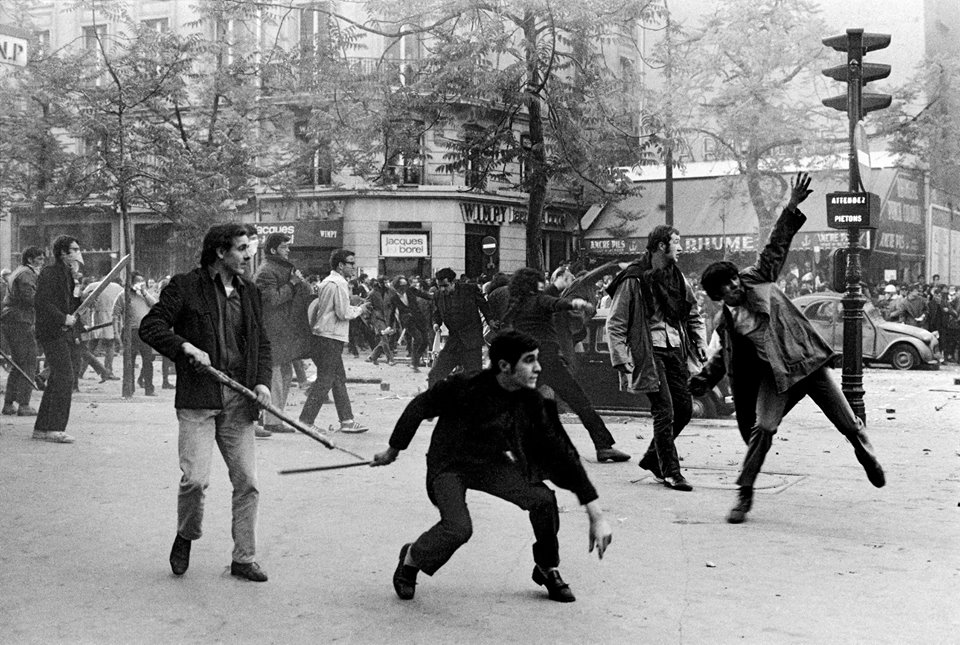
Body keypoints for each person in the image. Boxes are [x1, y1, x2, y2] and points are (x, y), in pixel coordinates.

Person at [690, 173, 885, 524]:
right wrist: (704, 380)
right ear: (719, 297)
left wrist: (791, 207)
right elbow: (723, 357)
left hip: (806, 362)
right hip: (776, 377)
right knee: (762, 430)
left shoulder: (758, 277)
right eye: (727, 289)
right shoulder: (727, 321)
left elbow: (775, 246)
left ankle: (864, 451)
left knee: (848, 424)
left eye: (734, 281)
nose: (735, 288)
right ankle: (744, 494)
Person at [372, 330, 613, 603]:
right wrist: (393, 450)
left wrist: (596, 515)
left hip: (491, 464)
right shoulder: (462, 386)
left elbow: (563, 455)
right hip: (449, 464)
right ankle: (411, 558)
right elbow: (418, 407)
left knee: (543, 500)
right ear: (504, 366)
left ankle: (546, 567)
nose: (539, 368)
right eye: (529, 361)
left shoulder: (532, 402)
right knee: (458, 528)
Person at [139, 224, 273, 582]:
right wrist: (184, 346)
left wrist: (261, 382)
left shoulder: (251, 292)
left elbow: (262, 344)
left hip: (239, 399)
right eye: (242, 248)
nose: (248, 255)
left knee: (248, 482)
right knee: (195, 480)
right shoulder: (185, 286)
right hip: (199, 398)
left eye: (250, 248)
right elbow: (150, 327)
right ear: (220, 251)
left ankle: (244, 558)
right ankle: (186, 535)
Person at [605, 224, 707, 489]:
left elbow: (693, 312)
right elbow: (615, 322)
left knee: (684, 409)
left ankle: (653, 458)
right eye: (677, 242)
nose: (681, 247)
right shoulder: (633, 279)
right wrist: (621, 357)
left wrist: (700, 342)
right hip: (649, 353)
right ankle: (671, 471)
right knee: (665, 410)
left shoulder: (678, 278)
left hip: (675, 350)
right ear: (662, 246)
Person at [505, 267, 630, 464]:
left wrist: (558, 286)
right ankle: (603, 446)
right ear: (533, 285)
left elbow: (548, 297)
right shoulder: (540, 300)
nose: (542, 285)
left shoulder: (518, 305)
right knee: (580, 402)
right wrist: (576, 303)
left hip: (525, 362)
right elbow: (555, 303)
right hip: (548, 360)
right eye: (539, 281)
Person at [298, 249, 370, 433]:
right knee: (326, 379)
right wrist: (360, 309)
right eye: (351, 263)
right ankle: (306, 421)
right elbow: (343, 313)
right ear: (341, 265)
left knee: (337, 379)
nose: (354, 267)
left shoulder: (327, 282)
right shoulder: (339, 284)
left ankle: (347, 420)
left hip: (324, 335)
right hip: (331, 336)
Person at [253, 233, 314, 436]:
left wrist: (301, 284)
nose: (288, 250)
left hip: (286, 329)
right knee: (276, 376)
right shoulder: (266, 272)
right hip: (273, 330)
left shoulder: (284, 268)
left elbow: (304, 292)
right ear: (273, 250)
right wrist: (293, 284)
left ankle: (273, 417)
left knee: (285, 373)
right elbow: (272, 300)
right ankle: (271, 419)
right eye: (284, 247)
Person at [32, 236, 85, 443]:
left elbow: (69, 303)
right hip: (51, 331)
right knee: (65, 377)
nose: (77, 252)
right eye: (74, 249)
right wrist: (63, 317)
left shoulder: (68, 274)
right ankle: (55, 428)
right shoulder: (50, 273)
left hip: (62, 331)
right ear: (62, 252)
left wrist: (80, 301)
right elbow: (42, 302)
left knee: (56, 378)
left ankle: (42, 428)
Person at [428, 267, 497, 387]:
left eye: (445, 285)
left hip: (471, 340)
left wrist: (490, 320)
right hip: (453, 341)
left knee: (474, 377)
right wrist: (436, 323)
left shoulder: (469, 290)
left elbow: (484, 306)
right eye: (440, 286)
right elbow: (437, 312)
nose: (442, 289)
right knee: (435, 374)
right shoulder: (438, 295)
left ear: (453, 282)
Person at [1, 247, 45, 417]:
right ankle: (24, 404)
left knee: (18, 363)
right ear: (30, 259)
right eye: (39, 259)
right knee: (28, 361)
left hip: (12, 319)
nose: (42, 263)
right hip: (20, 320)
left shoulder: (18, 271)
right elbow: (31, 298)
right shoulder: (27, 274)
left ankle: (9, 403)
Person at [113, 272, 159, 395]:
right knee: (130, 362)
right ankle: (130, 388)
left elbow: (155, 305)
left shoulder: (144, 295)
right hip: (130, 332)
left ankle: (149, 388)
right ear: (131, 282)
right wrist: (116, 333)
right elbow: (115, 315)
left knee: (148, 361)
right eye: (138, 281)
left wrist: (144, 292)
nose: (140, 284)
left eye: (142, 281)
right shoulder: (123, 296)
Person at [385, 275, 432, 373]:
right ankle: (414, 363)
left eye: (405, 285)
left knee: (425, 341)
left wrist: (434, 296)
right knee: (418, 338)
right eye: (401, 286)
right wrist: (389, 325)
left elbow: (423, 294)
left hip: (419, 318)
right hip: (407, 321)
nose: (404, 288)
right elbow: (392, 313)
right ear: (397, 287)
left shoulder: (410, 290)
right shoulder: (394, 298)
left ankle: (415, 360)